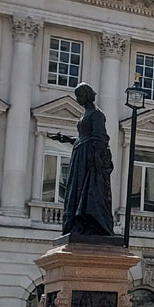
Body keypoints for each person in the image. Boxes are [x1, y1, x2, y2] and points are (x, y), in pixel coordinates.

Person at [48, 84, 114, 237]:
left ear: (87, 95)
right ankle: (77, 224)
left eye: (80, 96)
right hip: (80, 155)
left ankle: (90, 223)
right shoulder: (85, 115)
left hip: (88, 158)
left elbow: (100, 138)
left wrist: (96, 161)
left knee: (88, 190)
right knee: (75, 191)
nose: (77, 99)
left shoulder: (97, 114)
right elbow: (84, 136)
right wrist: (65, 139)